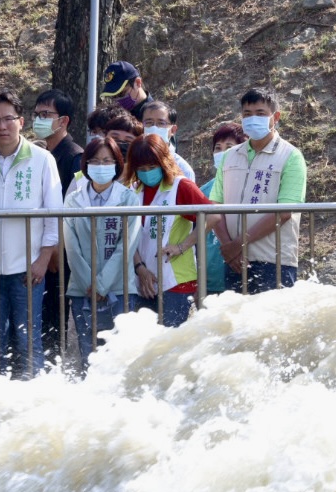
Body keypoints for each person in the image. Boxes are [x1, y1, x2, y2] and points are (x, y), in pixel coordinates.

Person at [0, 90, 62, 378]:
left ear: (21, 121)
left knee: (27, 337)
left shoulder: (42, 159)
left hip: (28, 266)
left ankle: (32, 401)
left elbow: (53, 213)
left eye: (8, 119)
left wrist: (44, 258)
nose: (2, 126)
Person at [209, 87, 308, 293]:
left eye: (260, 113)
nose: (253, 118)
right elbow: (215, 205)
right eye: (247, 114)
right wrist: (229, 246)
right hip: (235, 261)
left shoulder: (291, 156)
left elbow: (285, 211)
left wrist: (239, 243)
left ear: (276, 117)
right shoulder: (230, 156)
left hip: (273, 261)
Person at [62, 136, 140, 373]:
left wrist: (102, 284)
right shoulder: (74, 200)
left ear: (117, 164)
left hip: (119, 288)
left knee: (119, 356)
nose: (101, 166)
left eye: (107, 161)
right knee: (89, 355)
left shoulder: (128, 199)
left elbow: (127, 245)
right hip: (81, 289)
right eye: (95, 160)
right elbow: (71, 246)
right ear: (85, 165)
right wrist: (89, 283)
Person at [125, 134, 220, 327]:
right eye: (141, 169)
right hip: (144, 279)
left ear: (163, 162)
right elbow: (128, 234)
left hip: (176, 278)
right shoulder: (134, 190)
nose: (146, 172)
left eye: (152, 167)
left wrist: (182, 246)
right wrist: (140, 268)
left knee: (171, 342)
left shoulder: (181, 186)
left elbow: (213, 216)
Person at [33, 88, 85, 365]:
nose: (39, 120)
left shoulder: (74, 157)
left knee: (57, 316)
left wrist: (55, 249)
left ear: (63, 121)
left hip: (61, 255)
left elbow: (72, 209)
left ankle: (56, 367)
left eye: (46, 115)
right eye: (37, 114)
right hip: (39, 248)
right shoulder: (38, 155)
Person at [199, 121, 246, 296]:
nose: (222, 153)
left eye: (229, 147)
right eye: (217, 148)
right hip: (210, 278)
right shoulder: (203, 191)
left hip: (241, 269)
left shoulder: (248, 187)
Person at [140, 100, 195, 183]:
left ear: (173, 130)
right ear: (141, 126)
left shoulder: (184, 170)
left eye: (161, 123)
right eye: (149, 122)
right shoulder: (134, 162)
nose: (154, 127)